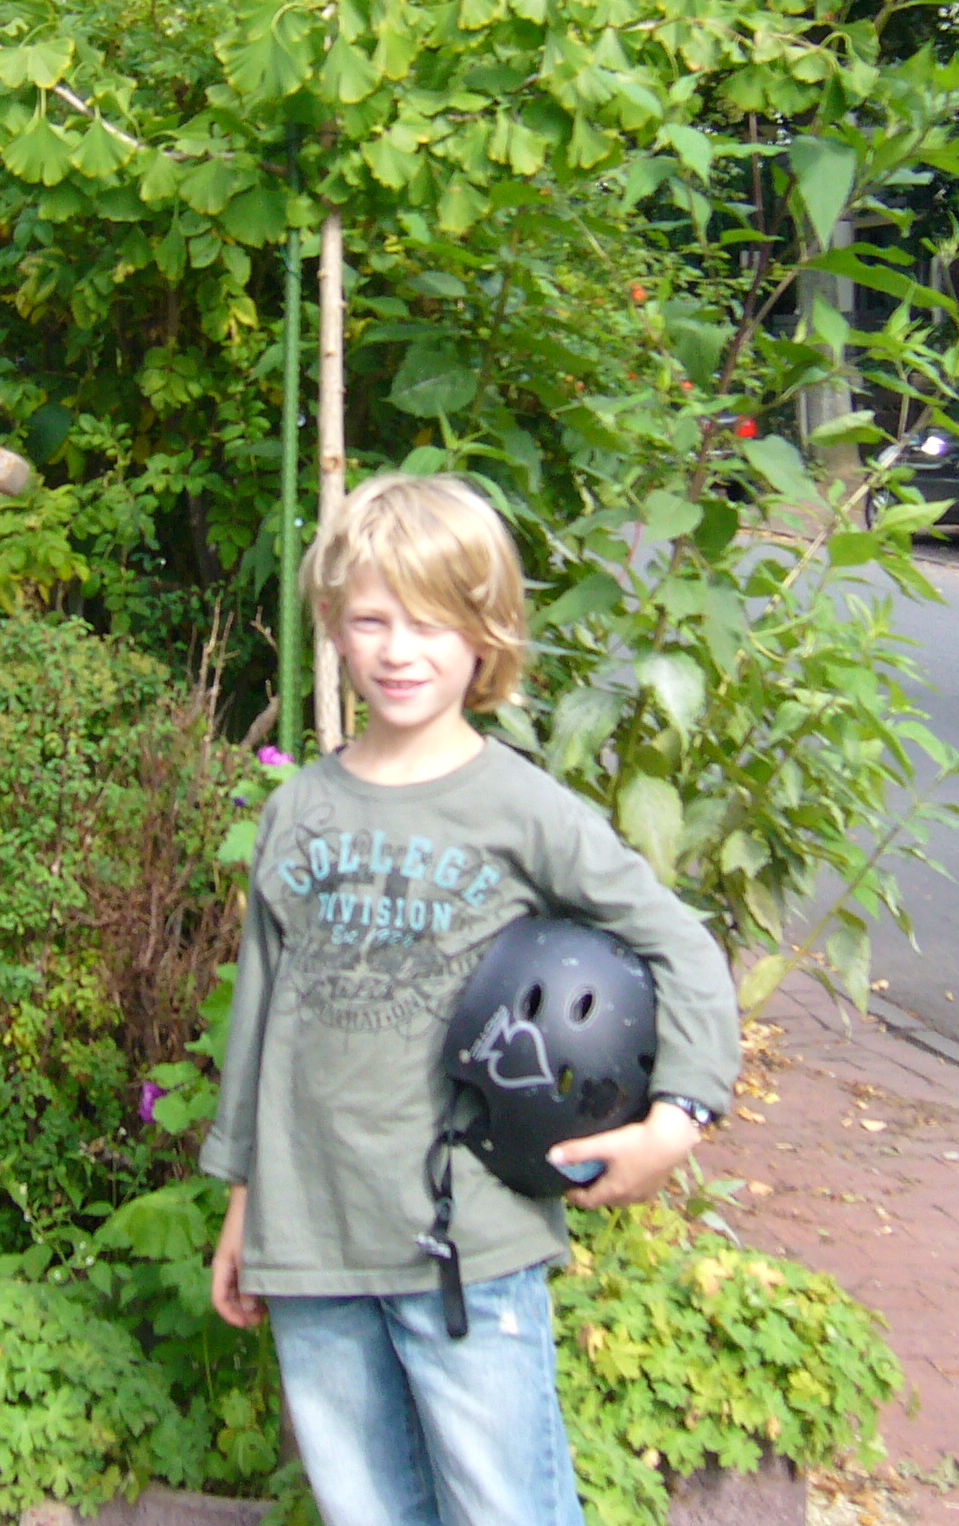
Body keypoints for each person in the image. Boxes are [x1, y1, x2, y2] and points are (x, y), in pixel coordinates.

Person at [203, 472, 741, 1526]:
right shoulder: (297, 811)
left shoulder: (521, 808)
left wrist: (675, 1122)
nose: (398, 650)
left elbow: (680, 947)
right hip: (311, 1238)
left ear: (485, 636)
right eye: (371, 620)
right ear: (334, 628)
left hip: (465, 1245)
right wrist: (241, 1204)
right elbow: (260, 1019)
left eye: (432, 623)